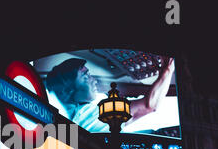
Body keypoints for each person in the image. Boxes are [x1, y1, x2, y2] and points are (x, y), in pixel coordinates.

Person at [45, 56, 175, 132]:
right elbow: (150, 105)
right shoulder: (91, 115)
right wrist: (168, 69)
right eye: (85, 76)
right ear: (68, 91)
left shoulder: (72, 116)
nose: (93, 80)